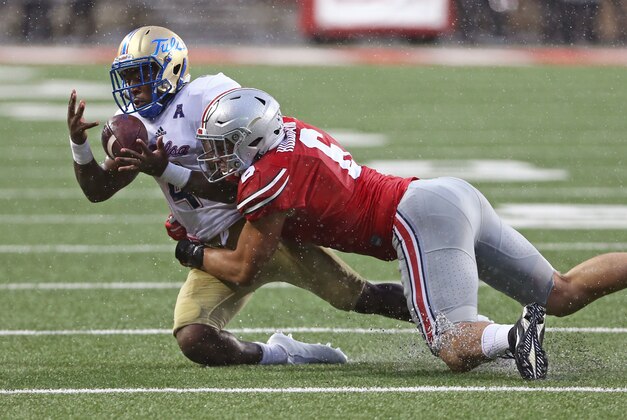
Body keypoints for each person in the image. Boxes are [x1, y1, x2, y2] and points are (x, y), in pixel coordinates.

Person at [175, 87, 627, 380]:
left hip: (416, 217)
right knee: (563, 293)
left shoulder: (267, 178)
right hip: (449, 195)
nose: (214, 158)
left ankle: (514, 338)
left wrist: (190, 251)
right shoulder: (288, 132)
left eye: (221, 148)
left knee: (451, 345)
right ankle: (511, 333)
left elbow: (242, 266)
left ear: (251, 140)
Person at [67, 26, 412, 367]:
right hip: (212, 247)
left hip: (261, 228)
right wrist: (79, 145)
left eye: (141, 74)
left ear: (170, 69)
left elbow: (245, 183)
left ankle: (448, 319)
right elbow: (98, 191)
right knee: (195, 339)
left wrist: (167, 170)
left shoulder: (208, 96)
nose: (133, 87)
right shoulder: (135, 126)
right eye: (127, 77)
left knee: (359, 297)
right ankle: (284, 354)